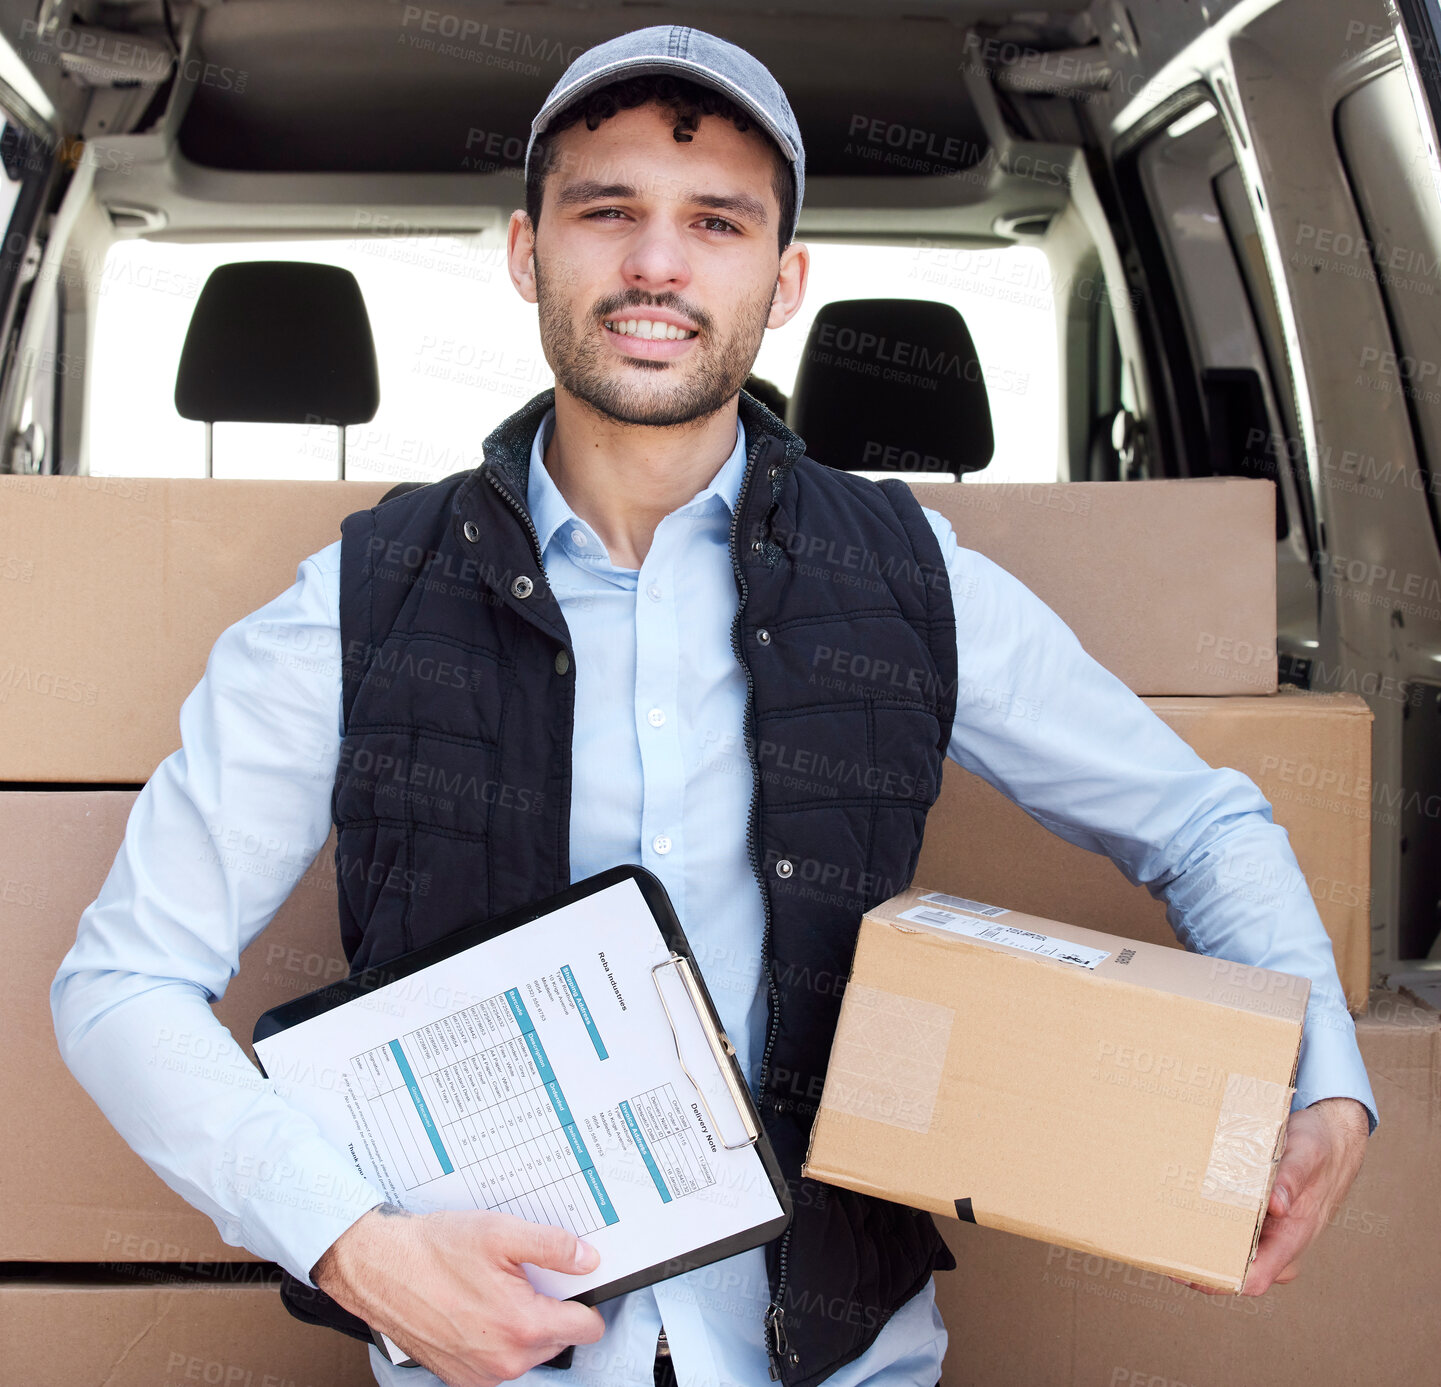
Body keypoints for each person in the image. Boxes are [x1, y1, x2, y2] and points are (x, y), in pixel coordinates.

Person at [52, 24, 1375, 1387]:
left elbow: (1200, 825)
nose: (656, 264)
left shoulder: (909, 581)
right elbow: (122, 984)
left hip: (844, 1361)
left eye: (717, 223)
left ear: (782, 279)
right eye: (605, 211)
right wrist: (349, 1246)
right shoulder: (355, 602)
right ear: (526, 253)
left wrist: (1324, 1076)